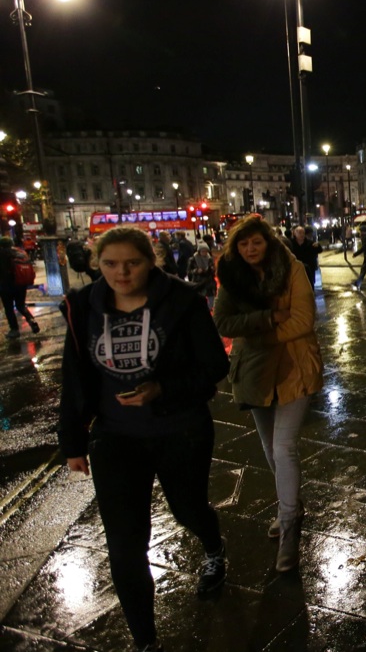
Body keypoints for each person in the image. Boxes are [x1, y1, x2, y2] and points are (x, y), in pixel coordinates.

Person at [58, 226, 230, 652]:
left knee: (189, 508)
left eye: (131, 263)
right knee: (124, 542)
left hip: (180, 430)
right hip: (116, 438)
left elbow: (213, 366)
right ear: (96, 264)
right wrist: (73, 442)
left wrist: (161, 390)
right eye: (110, 263)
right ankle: (145, 640)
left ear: (150, 261)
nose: (121, 272)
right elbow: (75, 376)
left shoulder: (182, 301)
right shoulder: (82, 306)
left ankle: (213, 548)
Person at [213, 217, 322, 573]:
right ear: (235, 247)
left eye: (255, 243)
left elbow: (304, 320)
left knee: (283, 446)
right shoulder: (232, 275)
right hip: (255, 373)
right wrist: (270, 317)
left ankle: (290, 524)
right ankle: (288, 504)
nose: (250, 250)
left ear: (268, 242)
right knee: (268, 446)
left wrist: (260, 336)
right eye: (243, 245)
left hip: (293, 367)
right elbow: (224, 323)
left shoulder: (292, 269)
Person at [0, 236, 40, 338]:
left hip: (6, 285)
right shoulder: (20, 253)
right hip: (21, 284)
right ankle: (32, 321)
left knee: (9, 308)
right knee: (20, 305)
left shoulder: (2, 254)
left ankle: (14, 330)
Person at [287, 225, 322, 290]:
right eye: (299, 233)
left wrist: (318, 246)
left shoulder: (310, 243)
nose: (302, 235)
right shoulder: (290, 244)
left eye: (303, 233)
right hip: (296, 269)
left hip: (309, 268)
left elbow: (319, 250)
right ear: (295, 233)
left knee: (310, 285)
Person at [187, 241, 217, 309]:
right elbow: (189, 271)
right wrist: (196, 271)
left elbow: (213, 269)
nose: (205, 253)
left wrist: (212, 269)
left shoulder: (209, 259)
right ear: (199, 251)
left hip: (209, 281)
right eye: (203, 251)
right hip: (198, 281)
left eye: (206, 251)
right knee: (200, 297)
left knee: (211, 297)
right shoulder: (193, 259)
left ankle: (209, 308)